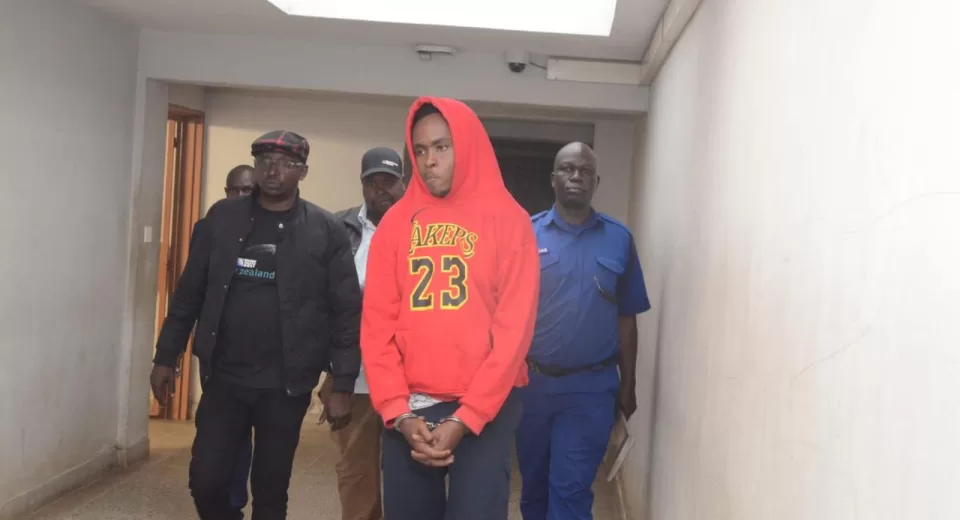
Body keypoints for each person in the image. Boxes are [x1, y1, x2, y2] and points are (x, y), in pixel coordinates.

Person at [150, 130, 362, 520]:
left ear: (303, 172)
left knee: (270, 487)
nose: (273, 171)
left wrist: (343, 383)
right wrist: (166, 354)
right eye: (265, 162)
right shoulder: (222, 218)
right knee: (206, 481)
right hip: (224, 378)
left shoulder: (324, 229)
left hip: (286, 384)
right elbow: (190, 291)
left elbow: (345, 310)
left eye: (285, 164)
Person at [361, 98, 540, 520]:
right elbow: (377, 326)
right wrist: (397, 411)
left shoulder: (509, 220)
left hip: (486, 406)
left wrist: (467, 416)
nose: (429, 161)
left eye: (442, 147)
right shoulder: (396, 224)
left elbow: (514, 333)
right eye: (420, 150)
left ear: (468, 146)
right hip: (409, 409)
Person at [515, 142, 651, 520]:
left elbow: (627, 321)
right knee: (534, 488)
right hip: (532, 387)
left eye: (585, 171)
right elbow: (505, 313)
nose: (576, 176)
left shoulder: (619, 239)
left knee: (570, 491)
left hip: (591, 390)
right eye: (567, 169)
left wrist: (629, 385)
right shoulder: (525, 235)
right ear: (553, 179)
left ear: (596, 182)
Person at [318, 146, 406, 520]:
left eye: (389, 181)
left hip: (410, 378)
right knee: (357, 472)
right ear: (362, 184)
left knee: (410, 474)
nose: (381, 190)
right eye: (373, 182)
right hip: (355, 377)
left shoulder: (423, 228)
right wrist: (334, 377)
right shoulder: (338, 228)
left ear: (404, 183)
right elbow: (321, 301)